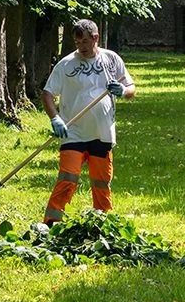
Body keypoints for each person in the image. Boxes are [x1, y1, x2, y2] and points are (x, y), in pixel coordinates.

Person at [39, 19, 135, 224]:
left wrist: (123, 91)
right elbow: (47, 94)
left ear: (95, 38)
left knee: (101, 183)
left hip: (102, 133)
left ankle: (103, 223)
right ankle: (50, 223)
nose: (81, 47)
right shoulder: (66, 65)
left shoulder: (111, 59)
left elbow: (130, 88)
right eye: (77, 43)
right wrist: (55, 118)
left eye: (84, 42)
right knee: (67, 179)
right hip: (72, 132)